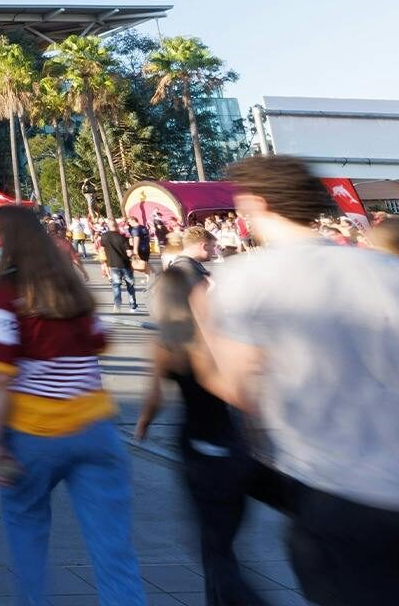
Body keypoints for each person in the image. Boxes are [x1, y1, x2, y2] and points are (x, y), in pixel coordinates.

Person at [199, 156, 399, 605]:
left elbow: (238, 390)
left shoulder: (248, 278)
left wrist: (200, 340)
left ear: (256, 204)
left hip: (338, 493)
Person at [0, 206, 146, 606]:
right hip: (95, 429)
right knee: (113, 549)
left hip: (33, 433)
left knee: (28, 535)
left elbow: (0, 376)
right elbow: (100, 341)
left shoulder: (5, 293)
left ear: (2, 240)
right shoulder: (69, 285)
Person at [136, 225, 267, 606]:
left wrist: (143, 425)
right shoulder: (212, 339)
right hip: (230, 442)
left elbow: (154, 397)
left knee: (214, 547)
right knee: (222, 542)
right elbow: (235, 390)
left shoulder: (165, 345)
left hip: (198, 447)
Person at [97, 221, 139, 312]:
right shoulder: (123, 238)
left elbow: (102, 248)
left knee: (116, 285)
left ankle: (117, 306)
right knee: (130, 285)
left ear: (109, 226)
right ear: (117, 226)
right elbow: (129, 253)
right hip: (125, 264)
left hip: (112, 265)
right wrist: (133, 255)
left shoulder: (104, 237)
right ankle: (133, 306)